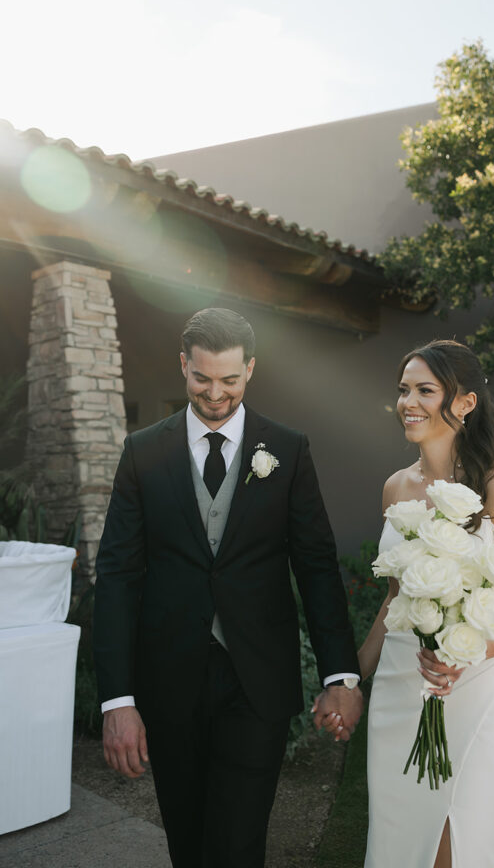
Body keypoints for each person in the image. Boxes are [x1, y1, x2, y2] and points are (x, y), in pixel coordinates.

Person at [93, 307, 363, 868]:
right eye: (202, 378)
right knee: (188, 844)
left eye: (230, 380)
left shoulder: (287, 451)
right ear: (183, 366)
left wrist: (341, 675)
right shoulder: (144, 453)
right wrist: (118, 700)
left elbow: (315, 566)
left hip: (256, 681)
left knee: (239, 845)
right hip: (168, 680)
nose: (215, 394)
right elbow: (117, 576)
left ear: (251, 370)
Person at [338, 339, 494, 868]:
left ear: (466, 403)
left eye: (425, 390)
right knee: (403, 848)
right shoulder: (395, 488)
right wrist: (349, 680)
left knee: (458, 845)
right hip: (399, 698)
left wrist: (465, 652)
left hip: (476, 689)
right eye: (404, 390)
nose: (409, 401)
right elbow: (393, 600)